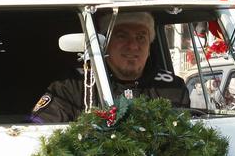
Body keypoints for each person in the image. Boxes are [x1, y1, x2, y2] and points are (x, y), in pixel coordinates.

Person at [30, 12, 189, 123]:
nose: (133, 46)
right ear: (104, 44)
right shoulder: (73, 85)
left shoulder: (172, 88)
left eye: (141, 37)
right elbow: (40, 132)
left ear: (149, 47)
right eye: (122, 36)